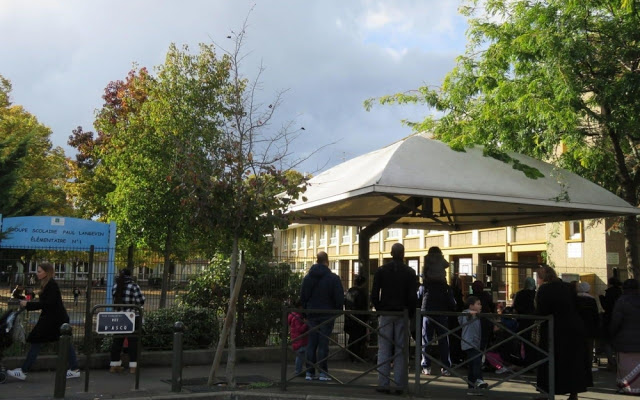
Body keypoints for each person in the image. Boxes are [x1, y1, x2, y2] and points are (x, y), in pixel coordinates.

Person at [7, 263, 80, 381]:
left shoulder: (51, 285)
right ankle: (74, 369)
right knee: (64, 343)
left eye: (39, 271)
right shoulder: (48, 284)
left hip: (52, 320)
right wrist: (27, 301)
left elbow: (47, 304)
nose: (37, 273)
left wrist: (28, 304)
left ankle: (24, 371)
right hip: (55, 319)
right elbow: (45, 302)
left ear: (46, 272)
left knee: (37, 340)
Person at [534, 265, 590, 400]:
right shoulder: (568, 287)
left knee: (549, 359)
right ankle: (573, 393)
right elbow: (576, 305)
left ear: (541, 278)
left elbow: (541, 311)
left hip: (554, 328)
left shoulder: (544, 289)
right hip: (574, 327)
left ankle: (546, 392)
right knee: (573, 361)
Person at [371, 243, 417, 395]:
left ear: (391, 253)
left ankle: (383, 384)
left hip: (386, 313)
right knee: (401, 350)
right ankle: (399, 385)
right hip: (402, 313)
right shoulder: (410, 272)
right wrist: (410, 313)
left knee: (384, 349)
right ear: (403, 254)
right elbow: (412, 296)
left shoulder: (381, 270)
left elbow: (374, 294)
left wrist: (380, 309)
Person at [300, 251, 344, 381]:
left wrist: (304, 313)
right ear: (327, 261)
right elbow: (339, 298)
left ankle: (309, 372)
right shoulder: (333, 278)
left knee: (311, 344)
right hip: (327, 314)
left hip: (312, 314)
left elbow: (303, 297)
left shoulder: (308, 278)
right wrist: (337, 311)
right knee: (323, 345)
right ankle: (323, 373)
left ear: (316, 260)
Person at [421, 263, 456, 376]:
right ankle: (445, 367)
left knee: (426, 340)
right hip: (442, 314)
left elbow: (418, 297)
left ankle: (426, 366)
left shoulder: (425, 285)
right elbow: (452, 303)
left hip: (427, 313)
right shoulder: (445, 287)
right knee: (444, 341)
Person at [109, 268, 145, 374]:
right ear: (130, 275)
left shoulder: (115, 286)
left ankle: (114, 365)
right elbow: (141, 301)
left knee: (117, 341)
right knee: (133, 342)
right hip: (132, 316)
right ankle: (133, 367)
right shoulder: (134, 286)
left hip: (119, 317)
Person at [609, 278, 640, 394]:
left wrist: (612, 334)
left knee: (626, 365)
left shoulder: (621, 301)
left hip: (624, 339)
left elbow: (616, 321)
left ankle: (627, 387)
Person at [458, 295, 489, 396]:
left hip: (474, 343)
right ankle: (478, 379)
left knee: (472, 365)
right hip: (469, 342)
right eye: (478, 304)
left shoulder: (477, 316)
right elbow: (465, 316)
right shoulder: (466, 313)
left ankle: (471, 388)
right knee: (476, 362)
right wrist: (470, 313)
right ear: (471, 306)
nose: (480, 306)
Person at [575, 282, 600, 373]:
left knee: (578, 348)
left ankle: (578, 365)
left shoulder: (575, 299)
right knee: (589, 348)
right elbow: (596, 316)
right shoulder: (592, 300)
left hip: (578, 328)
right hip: (590, 328)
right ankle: (588, 366)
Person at [344, 274, 368, 362]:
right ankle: (358, 356)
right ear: (363, 283)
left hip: (349, 318)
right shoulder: (362, 293)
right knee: (359, 338)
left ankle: (351, 356)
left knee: (352, 338)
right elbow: (363, 307)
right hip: (359, 319)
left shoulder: (349, 291)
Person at [600, 276, 623, 370]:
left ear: (610, 284)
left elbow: (606, 306)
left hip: (609, 319)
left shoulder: (609, 292)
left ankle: (611, 363)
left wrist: (601, 298)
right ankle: (618, 362)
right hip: (619, 320)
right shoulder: (620, 292)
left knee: (607, 342)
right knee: (617, 343)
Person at [513, 277, 536, 365]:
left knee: (524, 342)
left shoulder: (519, 294)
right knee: (533, 343)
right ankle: (533, 361)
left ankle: (525, 361)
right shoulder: (535, 294)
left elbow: (516, 307)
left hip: (522, 321)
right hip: (534, 322)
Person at [288, 299, 309, 377]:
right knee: (301, 356)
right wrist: (306, 323)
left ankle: (298, 371)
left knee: (300, 356)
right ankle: (298, 371)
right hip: (300, 340)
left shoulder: (293, 315)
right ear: (300, 307)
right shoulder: (298, 317)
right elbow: (300, 329)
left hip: (296, 340)